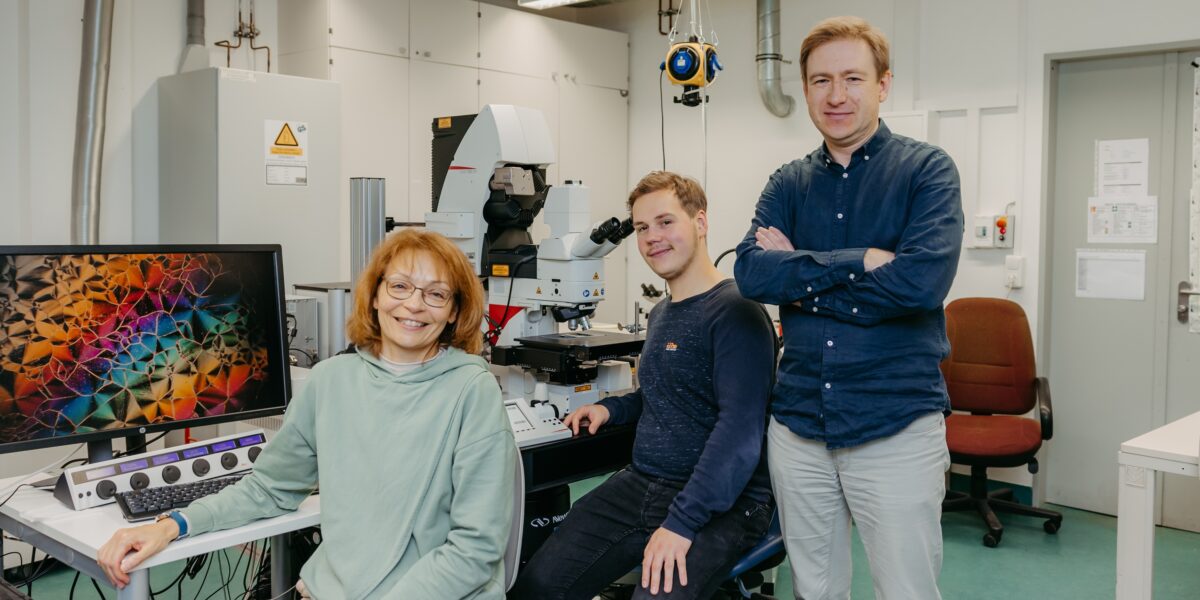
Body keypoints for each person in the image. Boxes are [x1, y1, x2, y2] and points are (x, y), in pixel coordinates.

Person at [97, 229, 517, 599]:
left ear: (454, 312)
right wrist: (173, 524)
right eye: (401, 286)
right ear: (374, 296)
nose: (414, 305)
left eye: (436, 294)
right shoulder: (330, 380)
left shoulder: (471, 390)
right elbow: (269, 488)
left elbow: (475, 549)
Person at [733, 15, 964, 600]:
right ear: (805, 88)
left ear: (883, 85)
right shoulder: (788, 182)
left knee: (906, 591)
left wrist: (800, 273)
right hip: (799, 426)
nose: (836, 96)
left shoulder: (926, 171)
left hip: (894, 426)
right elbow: (751, 273)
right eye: (820, 81)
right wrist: (859, 260)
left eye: (853, 78)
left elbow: (918, 286)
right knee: (814, 589)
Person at [513, 171, 776, 600]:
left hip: (723, 502)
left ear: (701, 222)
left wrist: (682, 523)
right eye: (641, 228)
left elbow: (739, 434)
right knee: (539, 586)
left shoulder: (736, 312)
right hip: (644, 483)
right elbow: (661, 393)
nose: (653, 237)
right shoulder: (662, 313)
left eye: (666, 222)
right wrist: (609, 409)